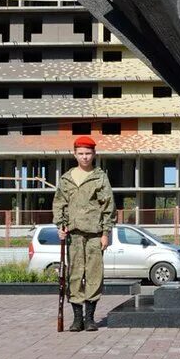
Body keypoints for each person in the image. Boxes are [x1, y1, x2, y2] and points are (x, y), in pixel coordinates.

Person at [52, 134, 116, 332]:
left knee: (94, 274)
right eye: (81, 153)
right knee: (74, 274)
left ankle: (90, 318)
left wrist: (106, 232)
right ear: (74, 154)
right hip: (73, 234)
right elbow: (59, 204)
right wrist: (60, 227)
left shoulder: (100, 177)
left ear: (94, 154)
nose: (85, 157)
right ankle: (77, 318)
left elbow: (108, 207)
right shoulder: (66, 179)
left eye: (88, 153)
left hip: (95, 233)